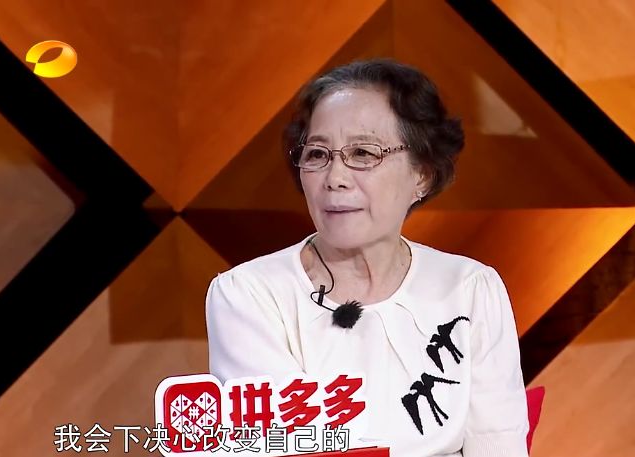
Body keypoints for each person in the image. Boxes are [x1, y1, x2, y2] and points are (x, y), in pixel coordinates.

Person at [205, 58, 529, 457]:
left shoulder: (470, 289)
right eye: (317, 154)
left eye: (362, 153)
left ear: (422, 175)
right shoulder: (248, 295)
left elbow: (499, 445)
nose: (335, 178)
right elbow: (292, 448)